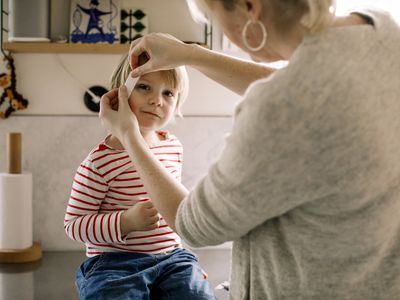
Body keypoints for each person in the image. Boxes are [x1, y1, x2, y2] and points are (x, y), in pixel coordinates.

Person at [99, 0, 400, 299]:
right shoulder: (384, 30)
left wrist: (129, 135)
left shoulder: (279, 110)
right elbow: (312, 91)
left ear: (249, 6)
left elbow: (193, 226)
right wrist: (191, 54)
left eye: (213, 18)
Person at [64, 53, 216, 299]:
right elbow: (73, 225)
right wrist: (126, 222)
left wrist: (188, 268)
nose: (157, 100)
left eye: (168, 93)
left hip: (172, 258)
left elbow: (174, 211)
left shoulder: (173, 147)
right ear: (119, 95)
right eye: (144, 87)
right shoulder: (100, 161)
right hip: (114, 264)